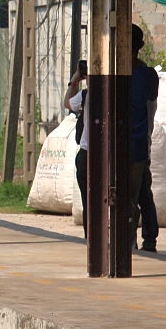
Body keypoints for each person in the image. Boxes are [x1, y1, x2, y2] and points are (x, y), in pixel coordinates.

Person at [131, 24, 160, 252]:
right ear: (141, 46)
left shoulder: (110, 76)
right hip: (140, 145)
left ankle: (128, 239)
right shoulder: (148, 75)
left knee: (127, 196)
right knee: (143, 193)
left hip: (122, 147)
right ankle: (149, 240)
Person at [65, 61, 89, 236]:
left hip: (86, 154)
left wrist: (74, 81)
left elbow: (67, 103)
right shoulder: (114, 91)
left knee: (88, 200)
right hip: (107, 154)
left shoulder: (86, 94)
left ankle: (92, 235)